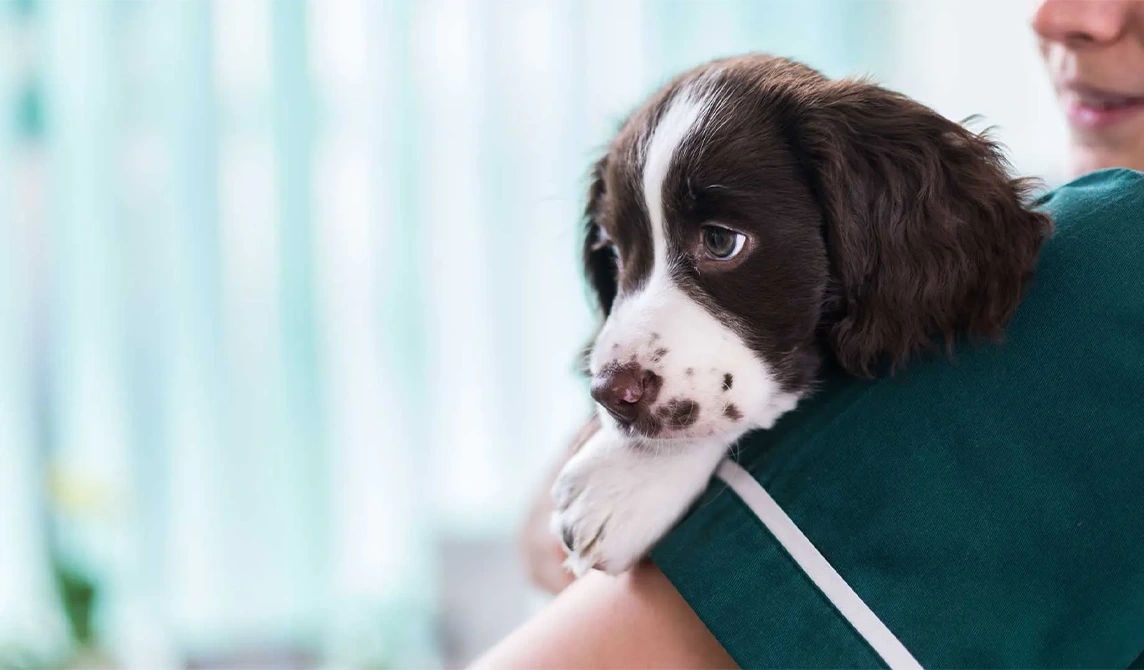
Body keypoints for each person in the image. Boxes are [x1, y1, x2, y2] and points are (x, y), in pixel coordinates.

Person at [480, 2, 1144, 667]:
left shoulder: (1109, 262)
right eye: (621, 256)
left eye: (719, 241)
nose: (1061, 16)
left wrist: (691, 457)